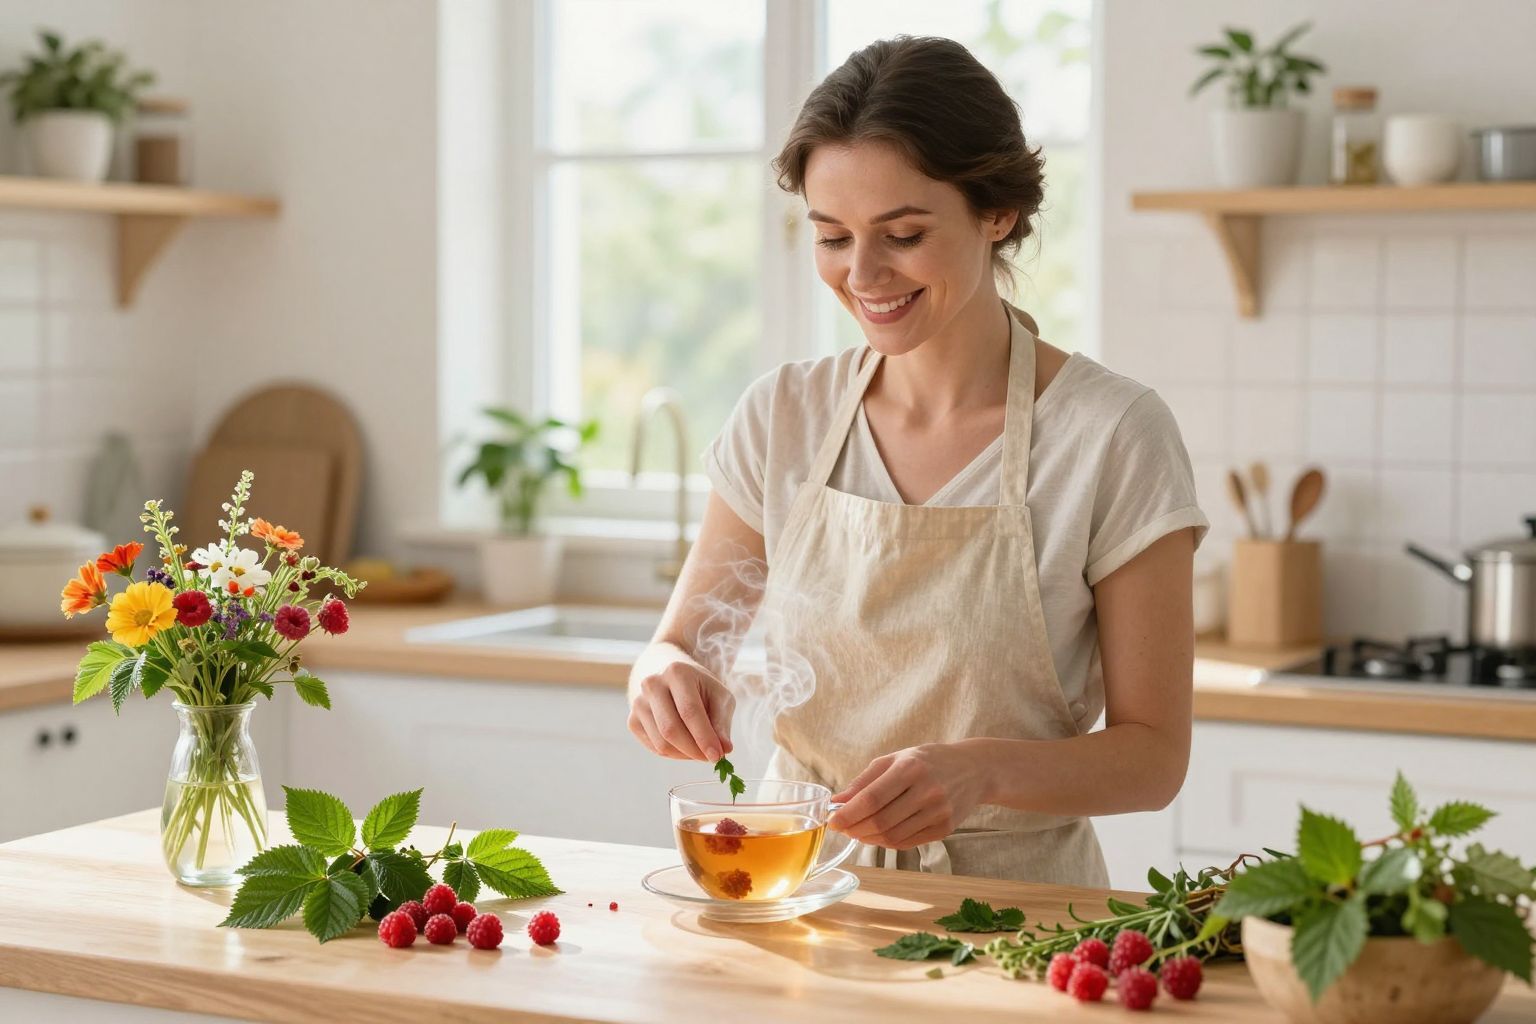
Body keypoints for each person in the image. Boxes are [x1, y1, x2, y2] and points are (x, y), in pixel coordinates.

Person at [626, 35, 1208, 886]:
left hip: (1016, 916)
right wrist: (666, 673)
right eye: (832, 237)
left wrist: (983, 771)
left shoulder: (1112, 434)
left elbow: (1154, 759)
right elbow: (678, 646)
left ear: (996, 212)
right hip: (800, 889)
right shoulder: (783, 416)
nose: (863, 275)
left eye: (901, 233)